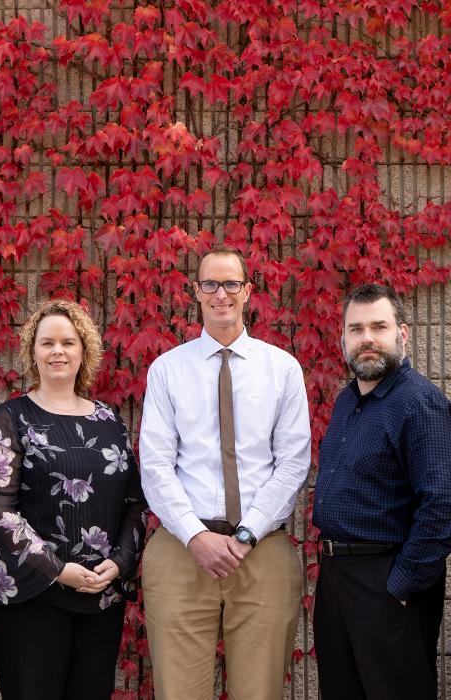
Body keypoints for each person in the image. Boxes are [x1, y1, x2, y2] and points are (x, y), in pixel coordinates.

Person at [139, 246, 311, 699]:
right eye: (210, 284)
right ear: (196, 292)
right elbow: (155, 464)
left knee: (260, 692)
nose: (221, 294)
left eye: (231, 283)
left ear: (248, 291)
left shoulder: (282, 369)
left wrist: (248, 533)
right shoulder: (167, 370)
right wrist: (195, 535)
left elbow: (293, 462)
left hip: (262, 550)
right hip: (181, 549)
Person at [0, 299, 147, 700]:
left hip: (100, 594)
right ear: (32, 352)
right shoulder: (11, 419)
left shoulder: (109, 421)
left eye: (68, 342)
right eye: (47, 343)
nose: (58, 351)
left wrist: (119, 563)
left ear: (83, 351)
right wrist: (57, 569)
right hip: (31, 595)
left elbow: (136, 502)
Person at [312, 283, 451, 700]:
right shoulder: (347, 401)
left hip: (386, 579)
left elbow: (446, 501)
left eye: (378, 327)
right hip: (337, 578)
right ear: (343, 339)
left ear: (403, 333)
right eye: (356, 329)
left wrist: (402, 583)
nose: (367, 338)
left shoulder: (419, 403)